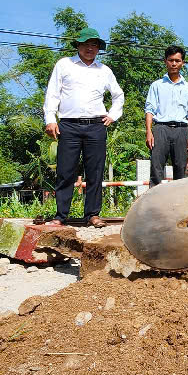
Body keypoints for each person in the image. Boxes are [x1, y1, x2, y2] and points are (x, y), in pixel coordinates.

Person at [41, 27, 123, 227]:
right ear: (78, 45)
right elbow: (52, 93)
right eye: (86, 44)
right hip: (69, 125)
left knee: (95, 172)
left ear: (98, 49)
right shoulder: (64, 65)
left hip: (96, 126)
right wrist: (50, 119)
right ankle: (61, 216)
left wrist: (112, 115)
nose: (90, 48)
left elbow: (118, 96)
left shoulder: (104, 71)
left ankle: (92, 215)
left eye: (94, 45)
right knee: (65, 171)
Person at [144, 45, 188, 186]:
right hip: (161, 129)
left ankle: (178, 206)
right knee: (156, 169)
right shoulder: (156, 85)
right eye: (171, 60)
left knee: (180, 169)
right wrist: (149, 131)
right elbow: (149, 110)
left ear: (182, 63)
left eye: (177, 61)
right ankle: (154, 206)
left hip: (181, 130)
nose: (174, 64)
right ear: (165, 61)